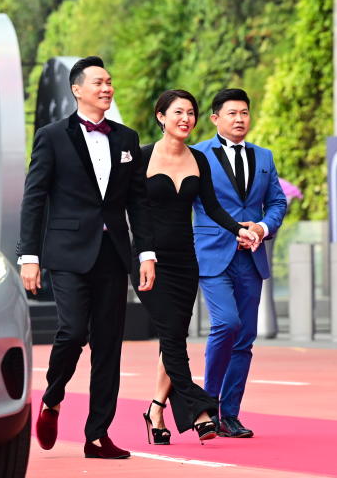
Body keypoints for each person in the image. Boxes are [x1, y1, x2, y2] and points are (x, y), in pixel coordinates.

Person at [16, 56, 156, 460]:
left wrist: (145, 253)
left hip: (114, 255)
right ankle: (53, 396)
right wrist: (29, 255)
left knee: (109, 345)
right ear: (77, 89)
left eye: (110, 82)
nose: (107, 88)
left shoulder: (127, 139)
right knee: (74, 332)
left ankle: (98, 435)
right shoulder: (52, 136)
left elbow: (137, 202)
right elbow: (34, 198)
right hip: (67, 252)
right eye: (98, 82)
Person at [134, 90, 259, 444]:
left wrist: (240, 229)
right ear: (161, 116)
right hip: (148, 260)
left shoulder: (199, 160)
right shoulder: (141, 158)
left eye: (191, 113)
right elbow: (132, 211)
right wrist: (144, 253)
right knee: (172, 337)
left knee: (173, 338)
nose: (186, 118)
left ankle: (156, 411)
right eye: (178, 112)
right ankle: (201, 410)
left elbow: (213, 208)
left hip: (185, 261)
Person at [192, 88, 288, 438]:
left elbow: (277, 201)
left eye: (244, 113)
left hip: (252, 257)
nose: (239, 119)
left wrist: (262, 227)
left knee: (244, 337)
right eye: (232, 113)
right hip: (214, 255)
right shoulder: (196, 154)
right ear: (216, 118)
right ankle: (207, 405)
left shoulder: (264, 157)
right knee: (226, 324)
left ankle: (229, 414)